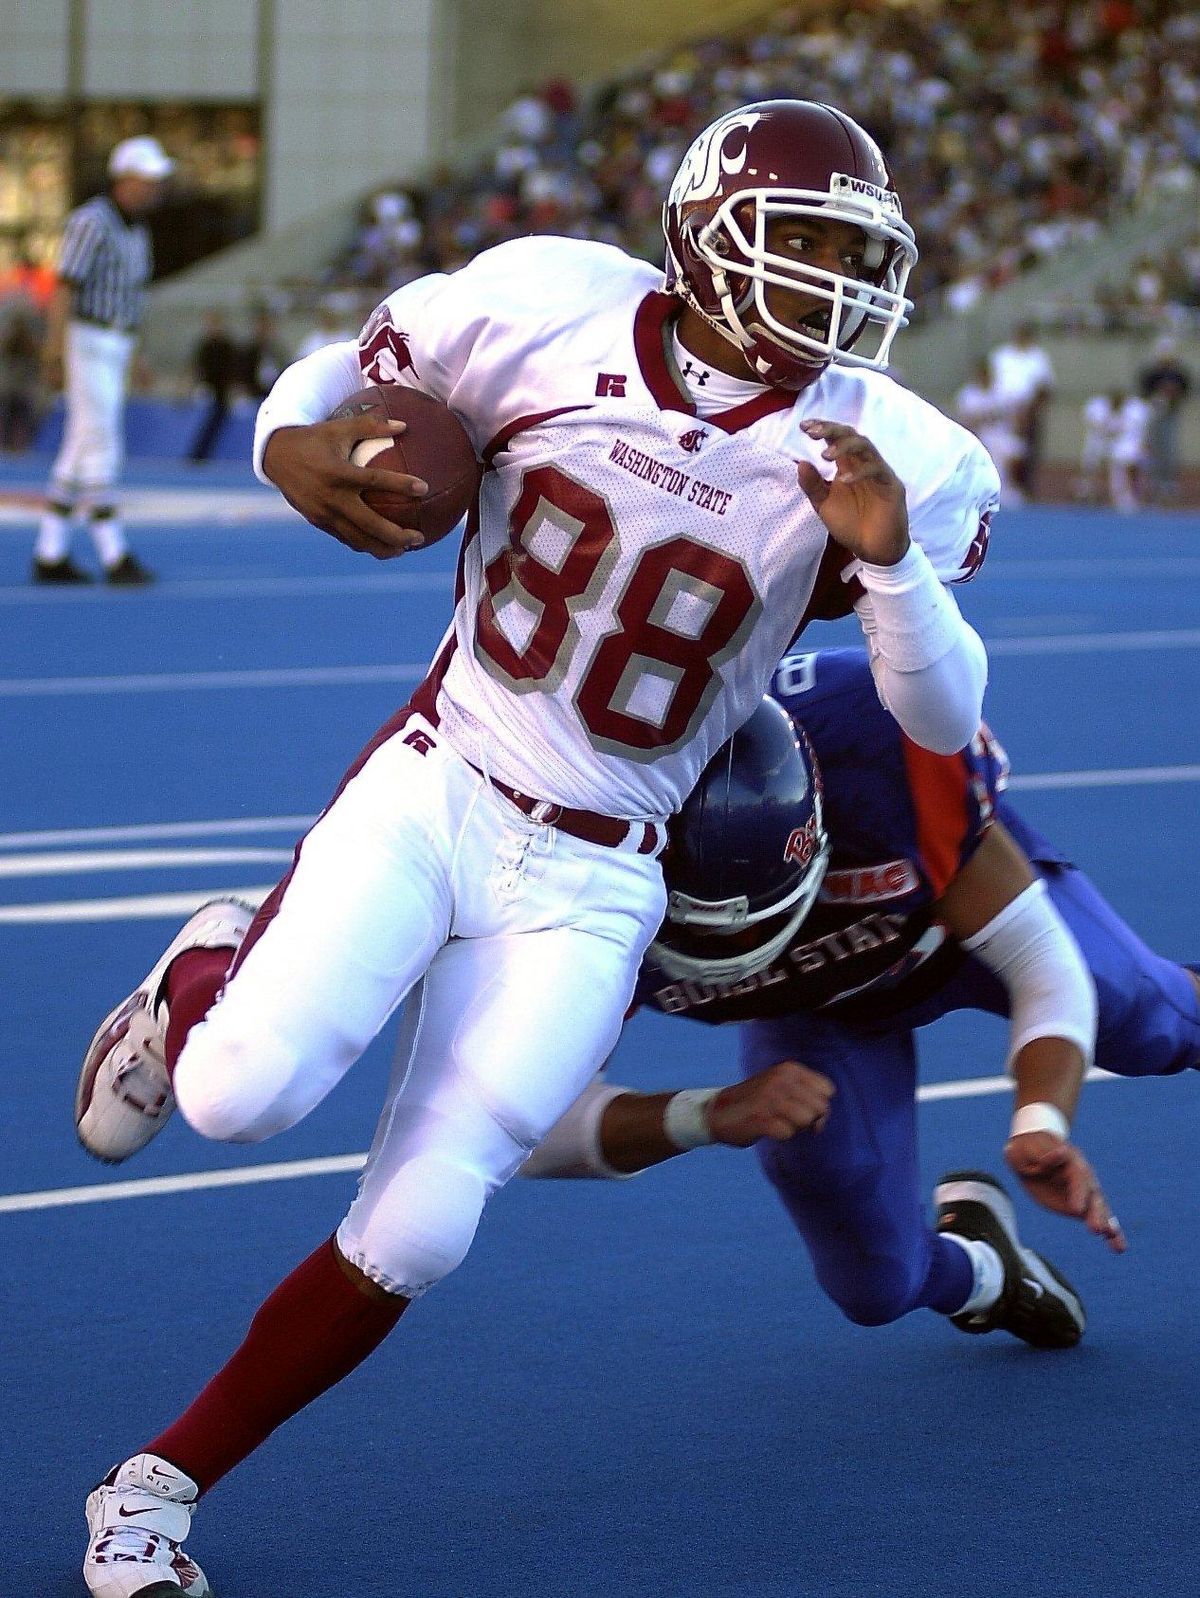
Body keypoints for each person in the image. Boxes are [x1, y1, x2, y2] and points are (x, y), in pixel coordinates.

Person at [71, 101, 999, 1596]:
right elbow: (347, 370)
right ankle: (201, 968)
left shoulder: (894, 447)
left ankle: (153, 1487)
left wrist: (887, 562)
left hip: (605, 867)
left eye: (854, 251)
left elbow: (938, 713)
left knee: (427, 1224)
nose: (834, 281)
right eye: (804, 242)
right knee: (239, 1095)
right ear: (704, 240)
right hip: (447, 777)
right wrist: (281, 442)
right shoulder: (548, 301)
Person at [526, 647, 1200, 1350]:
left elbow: (1040, 959)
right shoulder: (555, 883)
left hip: (949, 931)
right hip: (814, 1011)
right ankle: (985, 1272)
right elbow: (527, 1129)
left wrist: (1041, 1121)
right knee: (876, 1285)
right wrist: (707, 1113)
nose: (747, 936)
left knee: (1137, 1011)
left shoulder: (876, 737)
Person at [33, 135, 172, 585]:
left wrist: (139, 352)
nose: (154, 189)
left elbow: (133, 296)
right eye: (148, 181)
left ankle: (50, 550)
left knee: (78, 447)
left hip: (116, 340)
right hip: (88, 337)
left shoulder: (137, 230)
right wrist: (55, 349)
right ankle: (113, 551)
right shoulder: (91, 221)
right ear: (126, 180)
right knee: (101, 441)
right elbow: (65, 286)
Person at [988, 323, 1055, 501]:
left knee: (1025, 455)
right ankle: (996, 491)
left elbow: (1045, 388)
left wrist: (1030, 412)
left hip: (1027, 411)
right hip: (1001, 410)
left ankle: (1024, 493)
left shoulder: (1038, 357)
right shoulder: (1001, 355)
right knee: (998, 451)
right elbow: (992, 382)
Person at [955, 356, 1024, 504]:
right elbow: (966, 421)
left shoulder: (1001, 391)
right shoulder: (968, 394)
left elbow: (1013, 415)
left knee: (1016, 449)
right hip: (979, 436)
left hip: (1002, 434)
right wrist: (988, 416)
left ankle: (1010, 489)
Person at [1137, 337, 1192, 504]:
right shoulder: (1152, 372)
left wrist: (1174, 398)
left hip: (1171, 413)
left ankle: (1168, 480)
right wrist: (1156, 399)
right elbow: (1144, 390)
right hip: (1154, 412)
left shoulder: (1178, 373)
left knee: (1170, 448)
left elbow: (1186, 389)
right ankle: (1154, 480)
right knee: (1154, 447)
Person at [186, 311, 241, 463]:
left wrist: (234, 390)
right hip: (206, 389)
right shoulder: (204, 346)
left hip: (222, 392)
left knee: (218, 415)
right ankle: (197, 453)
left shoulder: (227, 346)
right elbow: (196, 369)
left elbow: (233, 371)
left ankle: (200, 454)